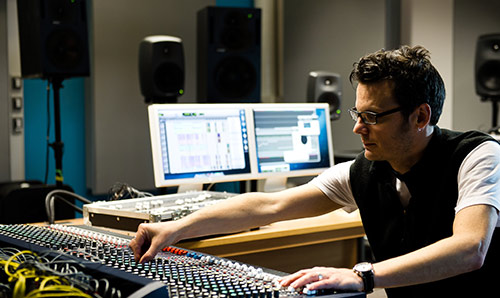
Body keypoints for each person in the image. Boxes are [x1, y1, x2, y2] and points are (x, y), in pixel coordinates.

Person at [129, 45, 500, 297]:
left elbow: (470, 248)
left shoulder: (476, 155)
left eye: (372, 117)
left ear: (421, 116)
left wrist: (362, 275)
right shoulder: (364, 172)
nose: (358, 128)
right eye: (358, 114)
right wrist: (177, 227)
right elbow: (269, 207)